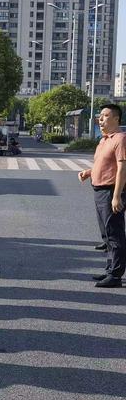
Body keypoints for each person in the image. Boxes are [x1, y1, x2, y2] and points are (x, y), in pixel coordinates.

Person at [78, 104, 126, 288]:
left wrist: (116, 196)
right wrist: (89, 172)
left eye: (105, 116)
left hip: (111, 190)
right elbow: (104, 164)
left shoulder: (120, 139)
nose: (101, 119)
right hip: (99, 190)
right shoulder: (104, 140)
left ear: (116, 119)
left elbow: (122, 168)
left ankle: (115, 275)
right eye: (100, 116)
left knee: (114, 234)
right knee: (106, 235)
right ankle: (110, 269)